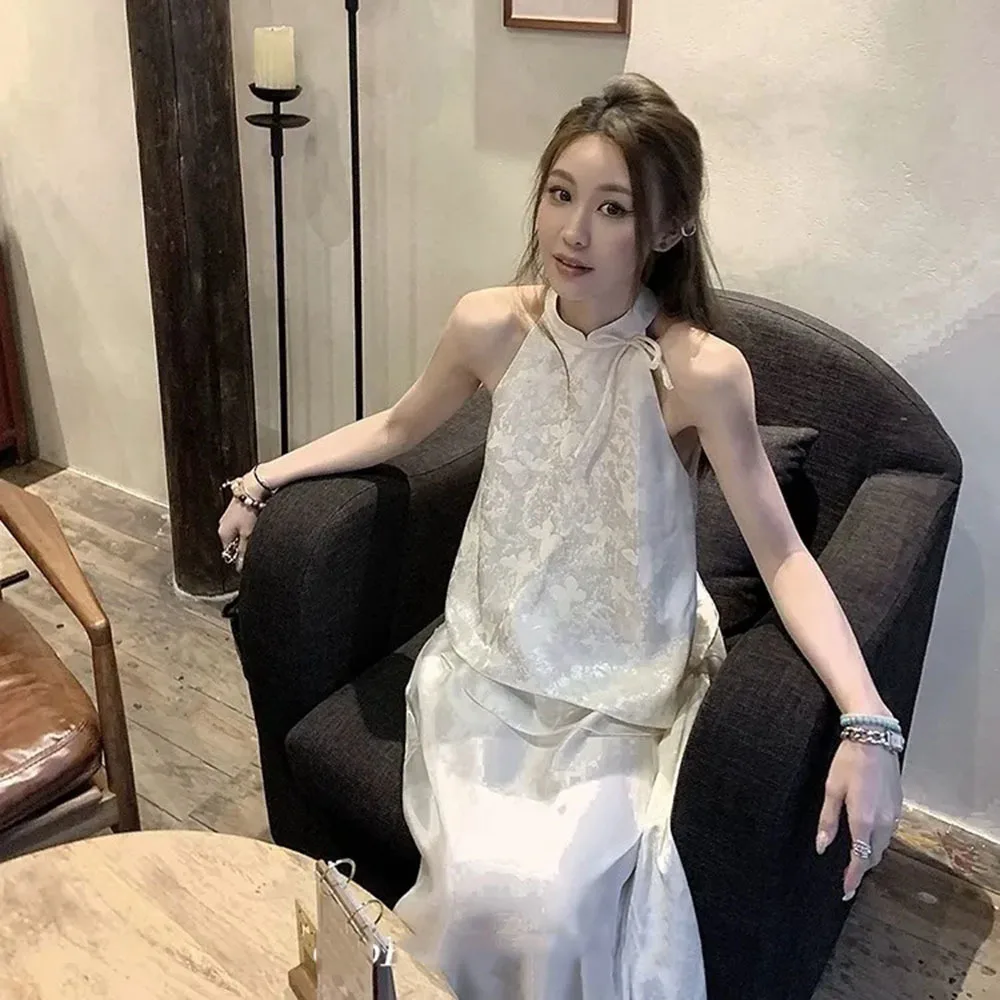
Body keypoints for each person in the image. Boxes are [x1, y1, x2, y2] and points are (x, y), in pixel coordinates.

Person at [219, 72, 904, 999]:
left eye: (613, 208)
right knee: (484, 890)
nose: (573, 231)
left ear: (668, 227)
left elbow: (781, 553)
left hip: (620, 682)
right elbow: (396, 427)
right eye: (560, 193)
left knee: (557, 903)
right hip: (490, 659)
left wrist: (867, 720)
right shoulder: (488, 324)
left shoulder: (701, 372)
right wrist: (262, 478)